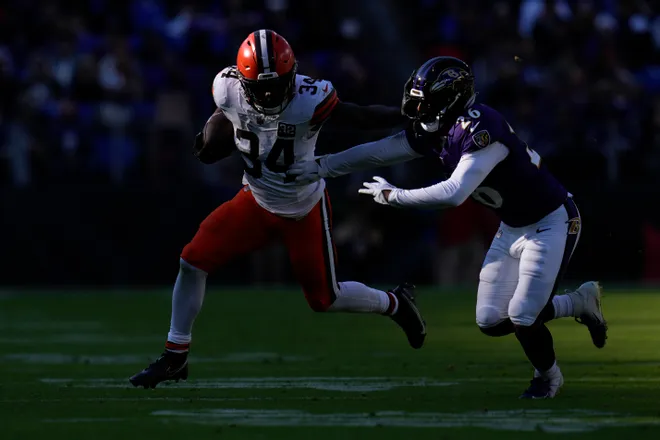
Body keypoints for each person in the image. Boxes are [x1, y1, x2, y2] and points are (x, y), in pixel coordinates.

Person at [286, 56, 608, 399]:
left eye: (424, 100)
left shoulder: (480, 127)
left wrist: (394, 196)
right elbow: (379, 152)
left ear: (448, 99)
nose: (415, 107)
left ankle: (548, 377)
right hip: (513, 226)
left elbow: (455, 193)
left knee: (522, 316)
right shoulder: (436, 129)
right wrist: (323, 167)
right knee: (490, 320)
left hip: (551, 220)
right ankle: (579, 303)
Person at [129, 30, 426, 389]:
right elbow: (223, 115)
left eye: (277, 86)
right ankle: (175, 357)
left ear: (293, 75)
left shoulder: (310, 98)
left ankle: (396, 304)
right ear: (242, 81)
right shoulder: (228, 88)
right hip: (254, 200)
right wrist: (209, 140)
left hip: (303, 208)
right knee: (192, 261)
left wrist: (404, 116)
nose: (269, 95)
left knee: (325, 299)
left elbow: (357, 117)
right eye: (261, 88)